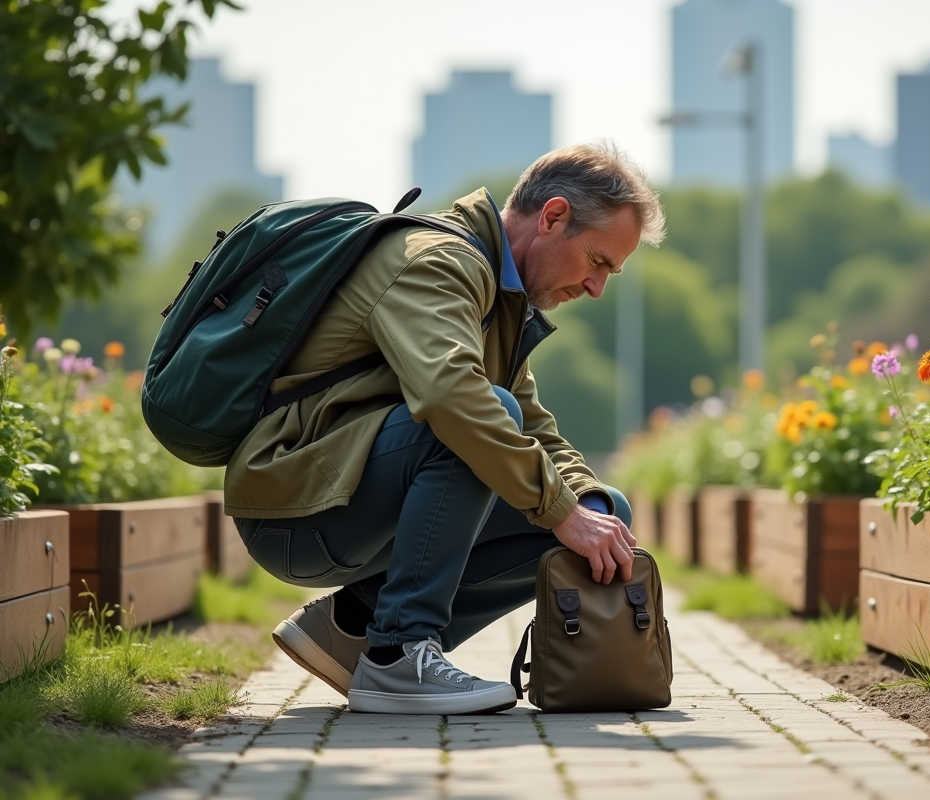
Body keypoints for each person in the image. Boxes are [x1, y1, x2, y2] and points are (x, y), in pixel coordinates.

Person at [223, 142, 666, 715]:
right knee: (485, 422)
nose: (596, 287)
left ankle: (351, 630)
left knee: (604, 513)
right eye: (599, 262)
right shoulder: (437, 261)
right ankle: (399, 655)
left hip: (349, 496)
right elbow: (454, 400)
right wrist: (561, 511)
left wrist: (586, 504)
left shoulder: (503, 299)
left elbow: (537, 430)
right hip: (292, 505)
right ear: (553, 216)